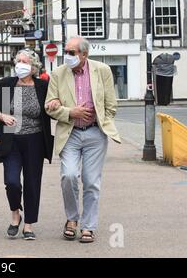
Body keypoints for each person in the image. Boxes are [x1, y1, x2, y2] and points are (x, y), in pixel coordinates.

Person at [45, 36, 121, 243]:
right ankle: (72, 219)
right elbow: (49, 107)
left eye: (71, 52)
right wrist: (71, 112)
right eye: (66, 51)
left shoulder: (102, 70)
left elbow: (111, 105)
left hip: (95, 134)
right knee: (68, 176)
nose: (67, 56)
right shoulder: (57, 74)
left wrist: (102, 119)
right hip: (70, 133)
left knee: (91, 181)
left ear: (84, 54)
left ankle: (88, 226)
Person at [0, 49, 54, 240]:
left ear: (33, 66)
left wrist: (55, 106)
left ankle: (28, 225)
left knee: (32, 183)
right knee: (12, 182)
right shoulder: (7, 84)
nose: (20, 64)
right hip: (11, 137)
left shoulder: (43, 86)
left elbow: (51, 110)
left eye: (24, 61)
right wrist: (2, 116)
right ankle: (15, 214)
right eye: (17, 61)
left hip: (35, 139)